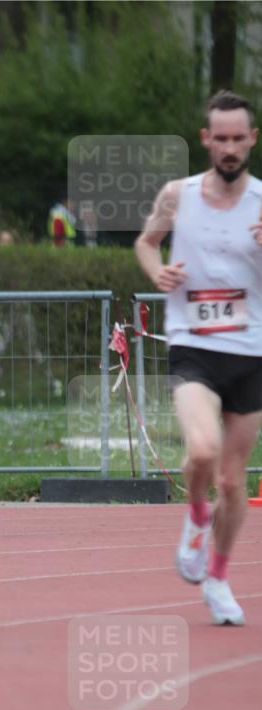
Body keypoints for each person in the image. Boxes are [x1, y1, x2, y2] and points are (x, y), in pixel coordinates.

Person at [135, 89, 262, 625]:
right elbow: (145, 243)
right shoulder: (177, 194)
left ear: (252, 140)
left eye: (239, 138)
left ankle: (217, 577)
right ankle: (194, 515)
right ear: (206, 139)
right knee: (203, 451)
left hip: (251, 350)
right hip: (193, 345)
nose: (230, 148)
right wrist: (157, 271)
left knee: (235, 481)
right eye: (221, 138)